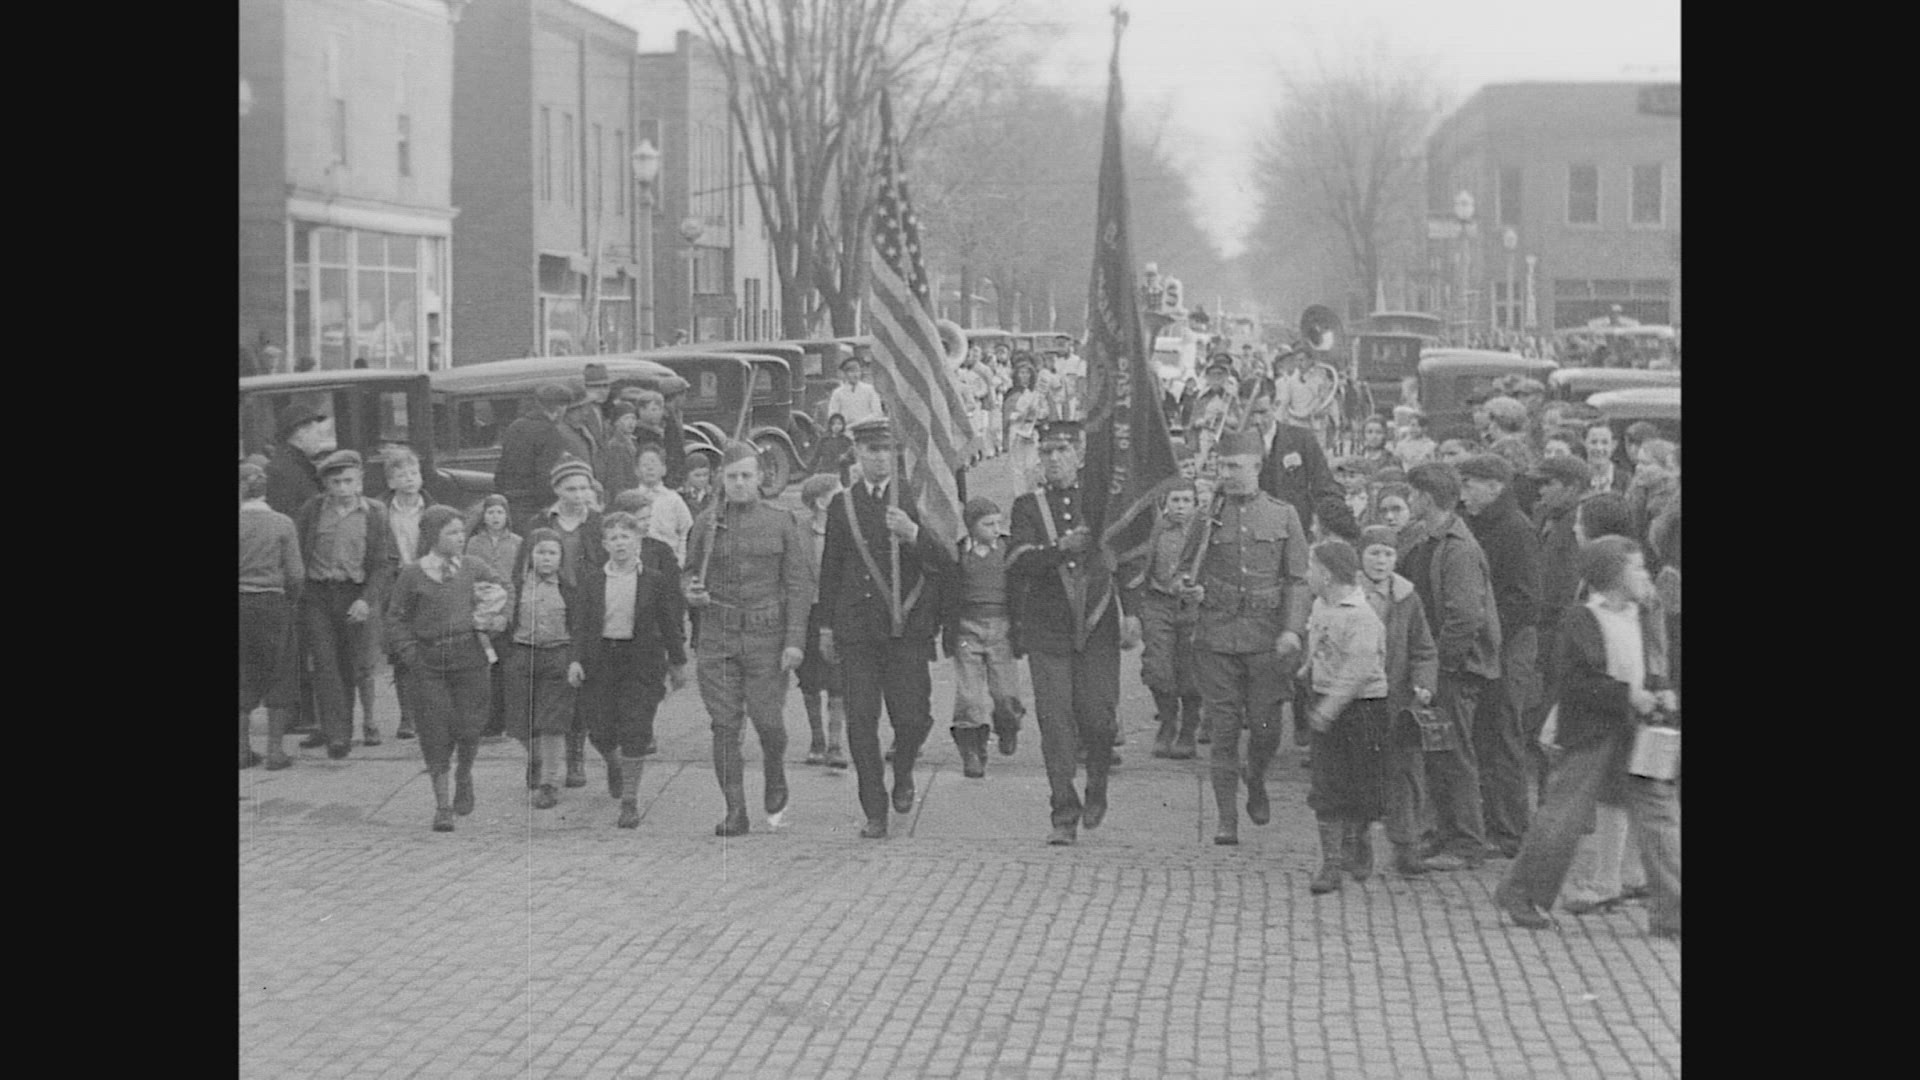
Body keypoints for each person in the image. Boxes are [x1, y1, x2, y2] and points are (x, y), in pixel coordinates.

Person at [1494, 536, 1680, 939]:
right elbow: (1575, 681)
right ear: (1613, 575)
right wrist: (1628, 695)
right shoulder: (1581, 619)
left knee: (1660, 818)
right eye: (1636, 567)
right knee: (1563, 818)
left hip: (1638, 732)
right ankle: (1521, 893)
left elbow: (1653, 664)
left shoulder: (1644, 614)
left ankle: (1674, 912)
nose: (1644, 575)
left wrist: (1661, 689)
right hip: (1592, 732)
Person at [817, 419, 952, 838]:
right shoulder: (843, 505)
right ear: (857, 453)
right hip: (858, 630)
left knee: (912, 719)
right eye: (871, 450)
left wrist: (913, 534)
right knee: (861, 723)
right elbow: (831, 569)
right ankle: (874, 809)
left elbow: (946, 563)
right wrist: (826, 626)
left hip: (906, 631)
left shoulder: (916, 498)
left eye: (886, 450)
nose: (879, 458)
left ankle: (904, 771)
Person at [1179, 428, 1311, 846]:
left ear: (1257, 466)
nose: (1227, 473)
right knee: (1223, 729)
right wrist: (1188, 588)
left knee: (1267, 728)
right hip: (1216, 636)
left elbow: (1298, 579)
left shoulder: (1283, 515)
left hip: (1266, 638)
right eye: (1222, 465)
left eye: (1235, 466)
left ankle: (1255, 777)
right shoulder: (1205, 517)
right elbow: (1183, 570)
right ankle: (1226, 819)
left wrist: (1291, 629)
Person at [1007, 420, 1136, 845]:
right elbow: (1018, 561)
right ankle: (1063, 811)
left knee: (1099, 719)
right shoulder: (1028, 506)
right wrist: (1059, 548)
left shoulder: (1102, 504)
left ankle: (1097, 783)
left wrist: (1133, 613)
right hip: (1049, 629)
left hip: (1097, 627)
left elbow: (1128, 557)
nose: (1054, 459)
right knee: (1055, 722)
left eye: (1063, 450)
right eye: (1046, 452)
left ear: (1080, 456)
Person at [684, 443, 813, 836]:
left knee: (768, 722)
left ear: (760, 479)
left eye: (746, 476)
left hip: (766, 636)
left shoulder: (781, 522)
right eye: (732, 476)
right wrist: (691, 592)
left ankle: (774, 769)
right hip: (717, 636)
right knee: (724, 725)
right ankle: (735, 810)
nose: (739, 483)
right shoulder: (706, 524)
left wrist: (794, 640)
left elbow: (799, 585)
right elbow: (688, 572)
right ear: (721, 479)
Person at [1396, 462, 1501, 870]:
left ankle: (1467, 842)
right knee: (1439, 752)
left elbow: (1465, 617)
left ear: (1426, 497)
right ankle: (1444, 833)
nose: (1409, 500)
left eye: (1412, 493)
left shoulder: (1458, 548)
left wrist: (1440, 667)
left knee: (1455, 753)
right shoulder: (1432, 538)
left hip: (1457, 669)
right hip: (1443, 665)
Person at [383, 505, 502, 832]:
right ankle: (443, 805)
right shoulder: (412, 574)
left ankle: (464, 774)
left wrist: (495, 620)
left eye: (462, 531)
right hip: (429, 663)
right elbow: (395, 618)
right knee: (434, 732)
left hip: (470, 658)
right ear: (433, 536)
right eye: (452, 532)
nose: (460, 538)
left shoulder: (473, 567)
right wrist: (410, 653)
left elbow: (504, 590)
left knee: (470, 727)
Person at [575, 512, 687, 828]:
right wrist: (575, 660)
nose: (620, 543)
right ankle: (614, 762)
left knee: (636, 728)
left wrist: (678, 662)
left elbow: (670, 624)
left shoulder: (654, 580)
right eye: (613, 538)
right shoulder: (592, 580)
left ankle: (629, 800)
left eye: (626, 537)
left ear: (638, 541)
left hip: (641, 663)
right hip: (601, 661)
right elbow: (580, 625)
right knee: (600, 729)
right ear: (604, 544)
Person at [1458, 455, 1543, 859]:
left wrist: (1487, 634)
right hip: (1492, 644)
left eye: (1470, 483)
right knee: (1487, 733)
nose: (1464, 492)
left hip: (1509, 647)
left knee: (1503, 733)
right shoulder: (1481, 522)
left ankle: (1510, 831)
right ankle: (1493, 822)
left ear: (1495, 486)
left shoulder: (1515, 529)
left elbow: (1525, 600)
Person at [1301, 539, 1391, 894]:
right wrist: (1305, 668)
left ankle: (1358, 838)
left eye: (1310, 568)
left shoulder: (1361, 616)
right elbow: (1319, 644)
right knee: (1326, 784)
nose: (1307, 575)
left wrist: (1329, 709)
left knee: (1362, 783)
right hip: (1326, 698)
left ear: (1325, 574)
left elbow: (1358, 669)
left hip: (1363, 708)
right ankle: (1331, 863)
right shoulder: (1321, 606)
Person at [294, 451, 397, 760]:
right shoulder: (313, 510)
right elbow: (298, 551)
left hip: (353, 594)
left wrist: (366, 600)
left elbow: (383, 563)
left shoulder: (374, 514)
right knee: (324, 663)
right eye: (336, 482)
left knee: (349, 664)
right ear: (325, 484)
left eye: (349, 481)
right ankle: (337, 736)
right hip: (317, 594)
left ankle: (343, 728)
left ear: (360, 481)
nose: (342, 488)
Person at [1357, 526, 1440, 876]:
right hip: (1356, 698)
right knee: (1358, 772)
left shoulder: (1407, 598)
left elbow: (1423, 649)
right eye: (1374, 553)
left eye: (1388, 554)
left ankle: (1405, 844)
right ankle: (1356, 842)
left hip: (1396, 699)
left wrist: (1423, 683)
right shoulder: (1347, 594)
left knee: (1404, 773)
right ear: (1361, 556)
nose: (1381, 561)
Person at [942, 496, 1026, 779]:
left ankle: (1008, 726)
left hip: (1002, 627)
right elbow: (947, 590)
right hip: (968, 628)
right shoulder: (958, 554)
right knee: (969, 696)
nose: (995, 529)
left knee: (1005, 693)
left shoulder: (1008, 550)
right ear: (971, 526)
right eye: (987, 524)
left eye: (998, 523)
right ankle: (972, 751)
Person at [504, 529, 584, 809]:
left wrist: (575, 659)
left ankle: (549, 782)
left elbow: (579, 627)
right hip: (522, 654)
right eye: (540, 552)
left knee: (552, 722)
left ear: (561, 557)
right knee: (520, 723)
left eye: (552, 553)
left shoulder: (570, 588)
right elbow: (504, 621)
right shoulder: (516, 586)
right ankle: (535, 756)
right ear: (529, 555)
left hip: (557, 656)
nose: (546, 558)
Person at [1125, 480, 1203, 760]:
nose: (1180, 507)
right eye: (1175, 500)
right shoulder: (1154, 530)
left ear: (1196, 504)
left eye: (1186, 501)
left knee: (1190, 671)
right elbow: (1139, 566)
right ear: (1165, 503)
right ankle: (1168, 724)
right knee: (1158, 668)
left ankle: (1188, 730)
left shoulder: (1204, 531)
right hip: (1159, 603)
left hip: (1193, 607)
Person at [241, 462, 305, 770]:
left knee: (242, 673)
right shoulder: (282, 524)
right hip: (273, 604)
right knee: (280, 673)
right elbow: (296, 574)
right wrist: (289, 600)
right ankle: (275, 751)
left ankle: (242, 750)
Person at [795, 474, 850, 769]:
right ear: (820, 502)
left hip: (837, 611)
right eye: (837, 494)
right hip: (806, 613)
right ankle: (817, 739)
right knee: (809, 678)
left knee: (838, 678)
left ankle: (835, 743)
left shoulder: (847, 528)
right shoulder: (798, 531)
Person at [1258, 399, 1342, 539]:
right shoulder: (1235, 443)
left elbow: (1323, 484)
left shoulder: (1302, 439)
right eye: (1250, 413)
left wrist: (1323, 522)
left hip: (1297, 530)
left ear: (1275, 406)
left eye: (1262, 412)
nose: (1257, 420)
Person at [496, 384, 574, 529]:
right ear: (558, 408)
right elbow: (546, 477)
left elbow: (501, 468)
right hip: (534, 507)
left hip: (510, 502)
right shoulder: (551, 433)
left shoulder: (515, 426)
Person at [629, 443, 693, 567]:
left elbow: (687, 531)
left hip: (668, 562)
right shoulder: (631, 499)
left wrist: (681, 559)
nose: (650, 468)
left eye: (654, 464)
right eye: (645, 465)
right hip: (637, 562)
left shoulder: (674, 499)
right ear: (636, 470)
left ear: (664, 469)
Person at [264, 403, 334, 515]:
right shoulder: (281, 471)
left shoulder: (298, 465)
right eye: (318, 433)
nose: (320, 439)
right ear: (301, 433)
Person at [1004, 361, 1047, 487]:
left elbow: (1044, 410)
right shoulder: (1012, 393)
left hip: (1032, 431)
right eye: (1021, 373)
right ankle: (1020, 494)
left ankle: (1031, 491)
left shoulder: (1036, 393)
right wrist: (1020, 415)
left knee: (1031, 465)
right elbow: (1007, 415)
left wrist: (1038, 414)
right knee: (1018, 467)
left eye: (1027, 373)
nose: (1024, 376)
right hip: (1016, 430)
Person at [826, 355, 885, 429]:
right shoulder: (838, 393)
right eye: (851, 372)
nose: (855, 375)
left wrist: (859, 423)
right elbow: (833, 415)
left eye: (858, 371)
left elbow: (877, 413)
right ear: (845, 374)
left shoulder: (870, 389)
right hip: (847, 430)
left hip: (868, 429)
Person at [599, 401, 640, 496]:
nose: (631, 422)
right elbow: (616, 481)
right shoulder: (615, 446)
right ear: (616, 422)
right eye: (626, 418)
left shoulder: (633, 442)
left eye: (633, 418)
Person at [1584, 423, 1633, 494]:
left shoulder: (1626, 480)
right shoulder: (1577, 479)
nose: (1599, 448)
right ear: (1585, 443)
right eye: (1593, 442)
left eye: (1604, 442)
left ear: (1613, 445)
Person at [807, 413, 854, 479]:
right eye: (833, 424)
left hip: (842, 474)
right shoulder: (824, 440)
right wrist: (810, 471)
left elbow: (853, 459)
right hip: (826, 472)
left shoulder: (847, 441)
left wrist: (845, 458)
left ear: (843, 425)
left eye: (839, 424)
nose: (836, 426)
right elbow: (816, 457)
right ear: (830, 425)